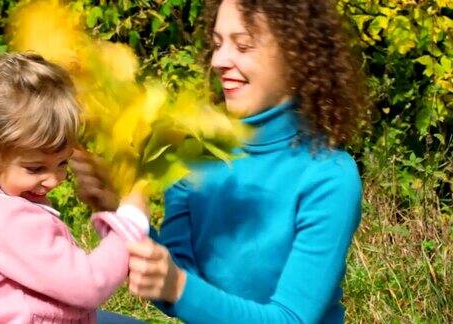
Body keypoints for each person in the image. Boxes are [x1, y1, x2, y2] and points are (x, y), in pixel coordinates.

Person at [70, 0, 368, 322]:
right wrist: (116, 210)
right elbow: (177, 287)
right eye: (216, 44)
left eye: (243, 46)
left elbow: (290, 318)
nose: (219, 60)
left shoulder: (328, 177)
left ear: (296, 58)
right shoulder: (195, 155)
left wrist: (176, 286)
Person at [0, 53, 147, 324]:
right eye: (35, 168)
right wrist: (129, 226)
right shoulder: (6, 219)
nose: (54, 180)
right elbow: (87, 285)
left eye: (62, 163)